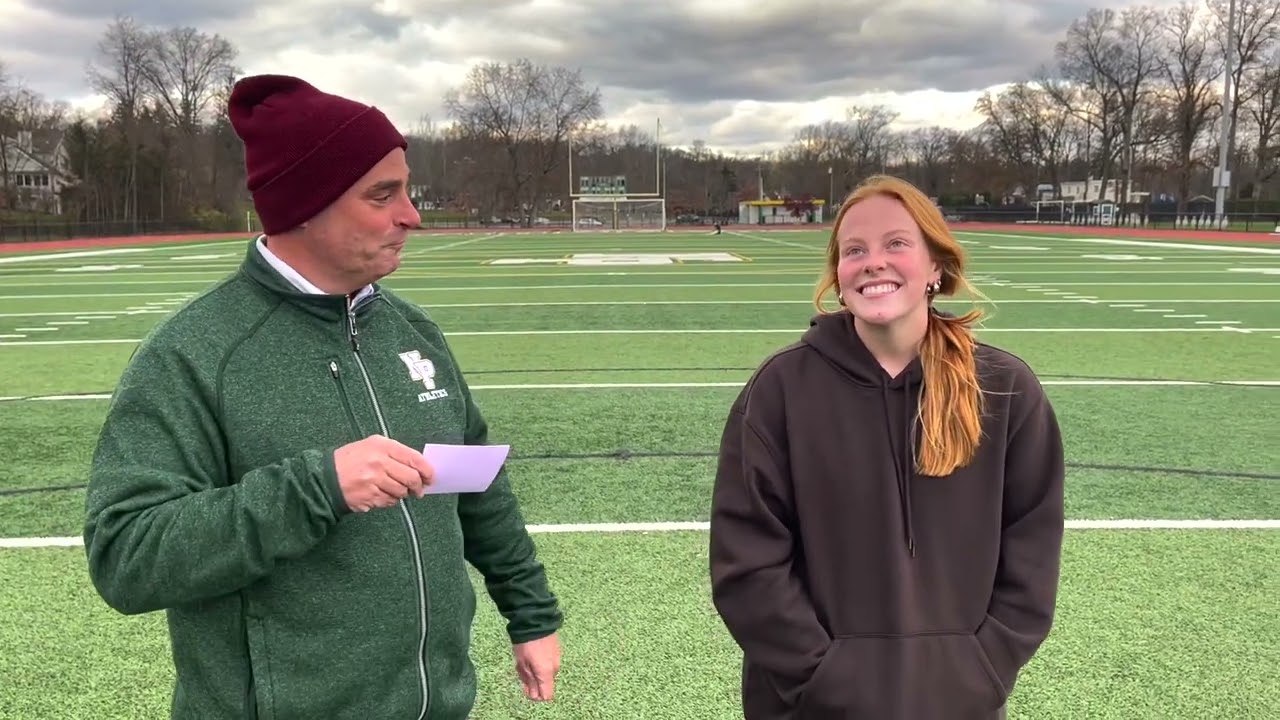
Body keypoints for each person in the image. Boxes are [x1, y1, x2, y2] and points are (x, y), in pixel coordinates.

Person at [82, 74, 563, 719]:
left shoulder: (411, 330)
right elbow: (128, 557)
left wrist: (529, 612)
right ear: (305, 205)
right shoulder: (195, 354)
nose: (411, 216)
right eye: (382, 195)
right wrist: (317, 487)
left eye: (407, 191)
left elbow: (473, 477)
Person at [708, 174, 1065, 719]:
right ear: (838, 274)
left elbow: (1032, 550)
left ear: (935, 267)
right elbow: (747, 565)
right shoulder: (780, 390)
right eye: (855, 250)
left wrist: (980, 668)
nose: (873, 262)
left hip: (956, 705)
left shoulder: (1006, 388)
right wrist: (826, 679)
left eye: (896, 243)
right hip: (811, 708)